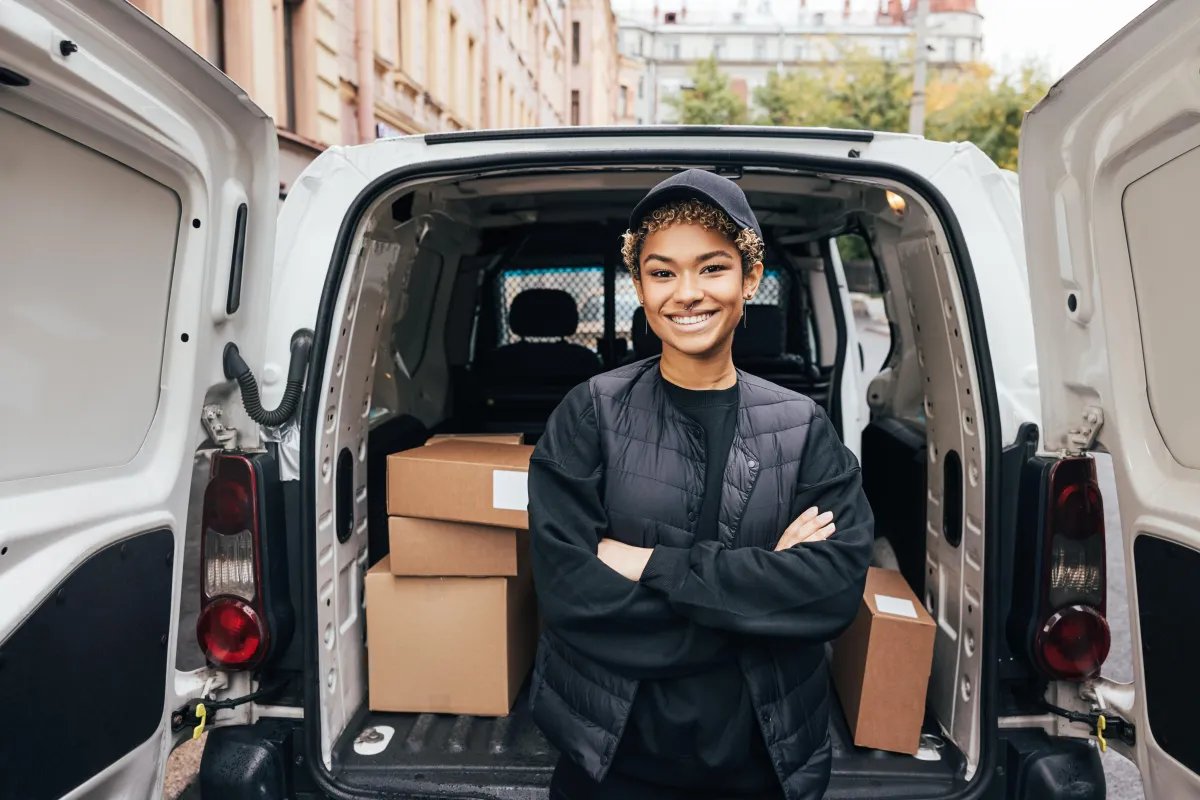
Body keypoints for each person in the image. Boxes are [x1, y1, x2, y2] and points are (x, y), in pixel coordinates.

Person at [527, 169, 874, 800]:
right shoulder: (591, 413)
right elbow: (570, 595)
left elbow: (832, 594)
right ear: (640, 287)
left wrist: (649, 563)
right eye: (662, 273)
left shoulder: (802, 427)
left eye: (712, 268)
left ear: (749, 278)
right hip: (612, 760)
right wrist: (760, 598)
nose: (686, 293)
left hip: (764, 763)